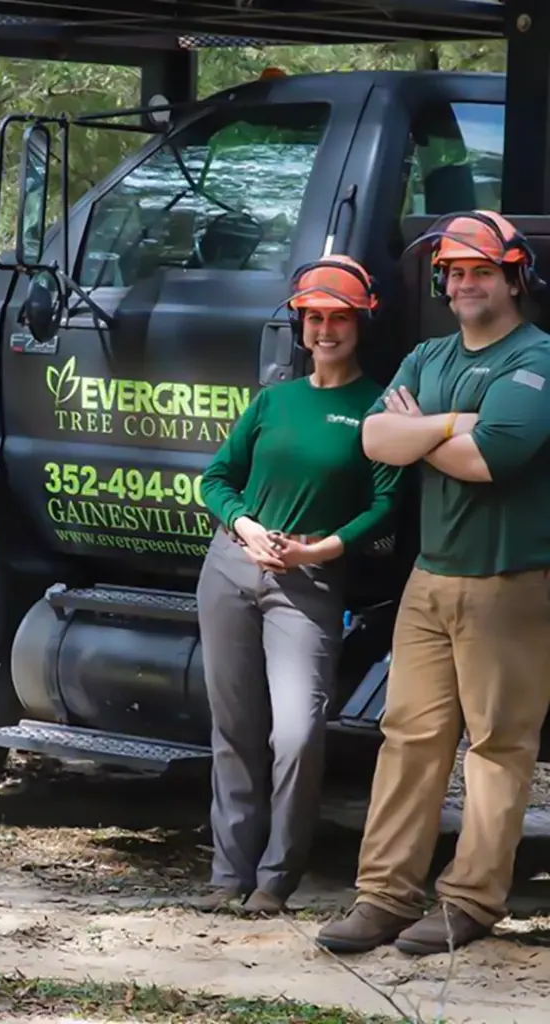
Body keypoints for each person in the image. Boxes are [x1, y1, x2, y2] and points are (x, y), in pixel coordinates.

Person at [315, 210, 550, 957]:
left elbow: (494, 460)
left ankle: (470, 901)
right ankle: (384, 897)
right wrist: (457, 424)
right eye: (453, 271)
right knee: (408, 737)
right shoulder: (426, 354)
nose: (464, 284)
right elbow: (377, 437)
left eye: (481, 270)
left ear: (514, 276)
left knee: (496, 748)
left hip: (507, 581)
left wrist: (430, 433)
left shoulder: (537, 359)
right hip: (430, 579)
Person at [196, 255, 403, 915]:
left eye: (338, 317)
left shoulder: (376, 408)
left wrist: (323, 547)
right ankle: (228, 876)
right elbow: (215, 479)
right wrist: (246, 526)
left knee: (296, 733)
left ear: (359, 322)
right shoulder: (274, 399)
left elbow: (387, 502)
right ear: (301, 325)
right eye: (314, 317)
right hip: (232, 566)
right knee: (234, 728)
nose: (325, 329)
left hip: (309, 580)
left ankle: (275, 878)